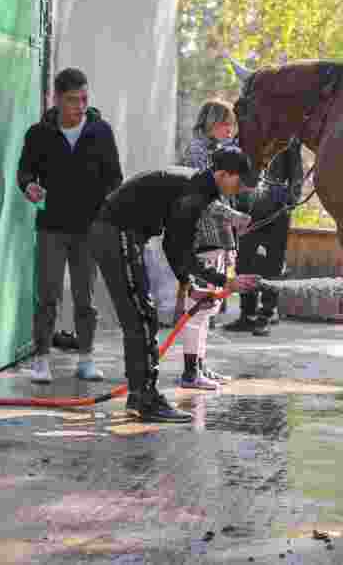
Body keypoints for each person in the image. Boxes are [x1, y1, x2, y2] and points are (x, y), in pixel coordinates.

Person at [88, 145, 261, 422]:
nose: (241, 189)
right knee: (141, 317)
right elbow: (177, 246)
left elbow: (175, 244)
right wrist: (224, 280)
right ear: (223, 174)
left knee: (143, 316)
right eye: (240, 181)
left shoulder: (199, 186)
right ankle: (144, 398)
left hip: (120, 234)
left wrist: (191, 284)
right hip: (116, 234)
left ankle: (141, 395)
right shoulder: (197, 192)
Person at [17, 68, 122, 384]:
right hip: (51, 226)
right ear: (57, 99)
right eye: (73, 100)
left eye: (84, 98)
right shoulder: (39, 133)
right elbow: (25, 172)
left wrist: (107, 207)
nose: (80, 105)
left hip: (89, 229)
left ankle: (86, 359)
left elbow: (115, 177)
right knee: (48, 295)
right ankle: (41, 360)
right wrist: (29, 188)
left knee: (85, 298)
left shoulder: (101, 131)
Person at [224, 139, 304, 336]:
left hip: (276, 211)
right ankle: (247, 314)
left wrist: (291, 200)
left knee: (272, 265)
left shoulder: (288, 139)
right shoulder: (248, 133)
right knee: (244, 261)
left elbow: (296, 173)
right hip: (247, 209)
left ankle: (266, 314)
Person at [179, 100, 244, 326]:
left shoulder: (219, 151)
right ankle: (192, 360)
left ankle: (197, 357)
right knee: (198, 309)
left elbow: (224, 197)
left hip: (216, 237)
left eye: (232, 125)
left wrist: (229, 245)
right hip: (200, 237)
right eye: (226, 124)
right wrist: (233, 218)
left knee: (208, 309)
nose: (230, 130)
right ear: (211, 123)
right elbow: (203, 199)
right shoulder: (197, 151)